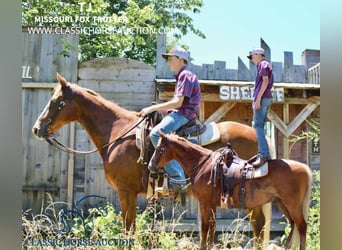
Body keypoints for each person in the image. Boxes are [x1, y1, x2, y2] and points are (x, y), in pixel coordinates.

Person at [138, 47, 201, 192]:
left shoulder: (185, 75)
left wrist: (152, 108)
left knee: (155, 134)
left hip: (184, 114)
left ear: (180, 59)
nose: (169, 62)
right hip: (182, 112)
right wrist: (162, 109)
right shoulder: (183, 76)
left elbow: (178, 103)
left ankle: (178, 178)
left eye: (171, 59)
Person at [247, 48, 273, 167]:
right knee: (260, 126)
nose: (251, 59)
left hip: (262, 98)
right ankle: (263, 153)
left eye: (252, 56)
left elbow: (265, 81)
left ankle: (263, 154)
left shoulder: (262, 64)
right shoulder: (263, 65)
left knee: (257, 125)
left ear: (258, 55)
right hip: (265, 97)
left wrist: (258, 99)